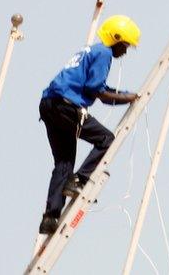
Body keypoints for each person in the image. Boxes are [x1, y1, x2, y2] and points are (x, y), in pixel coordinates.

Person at [37, 15, 141, 234]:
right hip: (66, 106)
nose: (124, 52)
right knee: (106, 139)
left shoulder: (90, 50)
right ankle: (79, 179)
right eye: (124, 45)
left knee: (63, 162)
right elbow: (99, 92)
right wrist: (130, 98)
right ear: (116, 38)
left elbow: (95, 87)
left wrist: (122, 94)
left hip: (49, 105)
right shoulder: (104, 53)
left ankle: (50, 216)